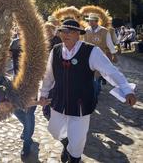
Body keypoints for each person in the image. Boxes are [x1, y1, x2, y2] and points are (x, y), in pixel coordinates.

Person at [39, 19, 137, 163]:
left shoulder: (91, 51)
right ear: (59, 34)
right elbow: (49, 76)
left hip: (80, 103)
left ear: (78, 34)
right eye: (64, 31)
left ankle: (74, 157)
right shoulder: (56, 50)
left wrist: (126, 89)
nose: (66, 34)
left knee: (78, 138)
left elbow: (110, 72)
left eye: (71, 31)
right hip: (59, 100)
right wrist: (43, 94)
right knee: (54, 130)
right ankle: (66, 143)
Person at [9, 32, 36, 157]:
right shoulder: (14, 42)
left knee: (29, 111)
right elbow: (9, 55)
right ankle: (27, 128)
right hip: (17, 80)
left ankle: (27, 143)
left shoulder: (34, 43)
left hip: (31, 82)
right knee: (14, 108)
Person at [84, 13, 117, 95]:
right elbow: (83, 42)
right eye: (89, 21)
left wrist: (114, 54)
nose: (89, 22)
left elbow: (110, 44)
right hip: (89, 56)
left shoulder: (104, 31)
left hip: (100, 56)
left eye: (91, 21)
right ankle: (93, 89)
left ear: (96, 21)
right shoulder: (86, 30)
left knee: (97, 74)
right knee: (90, 73)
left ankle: (96, 90)